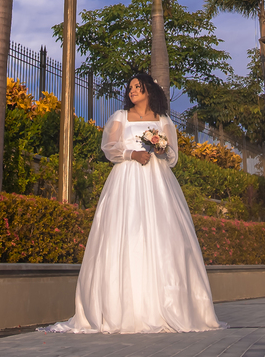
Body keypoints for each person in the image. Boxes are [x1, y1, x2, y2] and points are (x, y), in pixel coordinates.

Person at [42, 72, 224, 333]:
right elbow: (110, 148)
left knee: (164, 239)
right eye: (129, 88)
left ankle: (165, 306)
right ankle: (121, 307)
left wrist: (161, 150)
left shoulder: (163, 121)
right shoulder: (120, 117)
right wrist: (132, 153)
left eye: (137, 87)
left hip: (158, 183)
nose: (132, 91)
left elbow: (172, 157)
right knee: (124, 234)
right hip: (126, 180)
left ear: (149, 90)